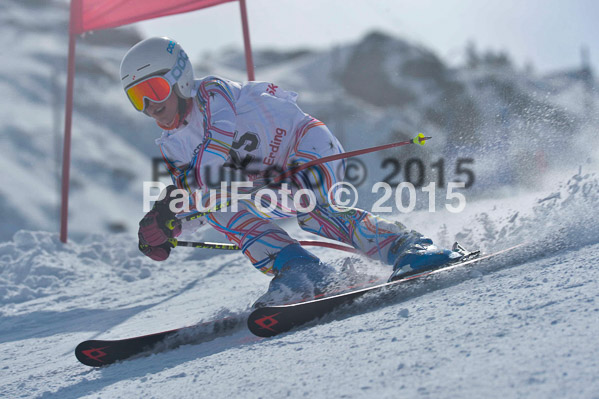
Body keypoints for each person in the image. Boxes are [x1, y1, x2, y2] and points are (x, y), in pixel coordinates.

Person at [120, 37, 465, 306]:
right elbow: (203, 198)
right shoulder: (171, 145)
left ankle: (411, 247)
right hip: (267, 183)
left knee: (310, 208)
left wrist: (175, 204)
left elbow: (214, 150)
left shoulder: (212, 94)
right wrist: (167, 223)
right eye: (138, 99)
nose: (151, 107)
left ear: (180, 79)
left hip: (307, 148)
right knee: (223, 212)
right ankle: (300, 270)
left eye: (155, 90)